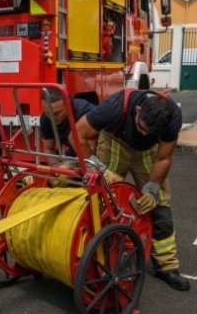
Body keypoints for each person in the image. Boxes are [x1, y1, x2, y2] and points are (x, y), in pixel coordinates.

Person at [75, 89, 190, 291]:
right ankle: (98, 260)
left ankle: (167, 266)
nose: (144, 133)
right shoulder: (115, 106)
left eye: (150, 132)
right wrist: (98, 168)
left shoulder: (171, 117)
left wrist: (153, 187)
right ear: (137, 110)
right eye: (141, 127)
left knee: (160, 204)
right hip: (114, 143)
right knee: (102, 199)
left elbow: (163, 158)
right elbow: (76, 134)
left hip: (148, 153)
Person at [39, 87, 96, 157]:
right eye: (48, 113)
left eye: (56, 113)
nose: (52, 118)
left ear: (69, 104)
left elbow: (91, 151)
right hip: (74, 152)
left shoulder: (84, 112)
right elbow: (49, 149)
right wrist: (56, 165)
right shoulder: (45, 118)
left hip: (93, 151)